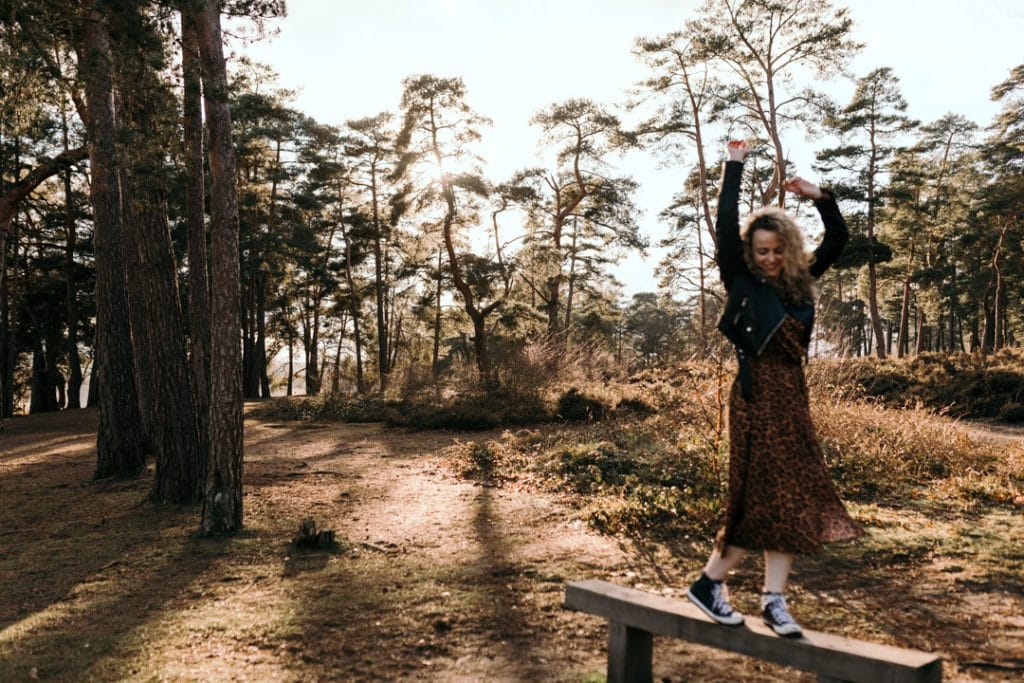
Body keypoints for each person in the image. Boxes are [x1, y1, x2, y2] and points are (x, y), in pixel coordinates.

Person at [686, 139, 863, 638]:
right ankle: (710, 584)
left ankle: (773, 600)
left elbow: (838, 239)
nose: (767, 258)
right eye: (760, 251)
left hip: (791, 398)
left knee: (792, 496)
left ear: (789, 249)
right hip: (755, 398)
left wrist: (819, 196)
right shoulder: (741, 281)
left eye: (776, 250)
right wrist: (734, 166)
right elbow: (724, 226)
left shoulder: (798, 283)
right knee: (761, 494)